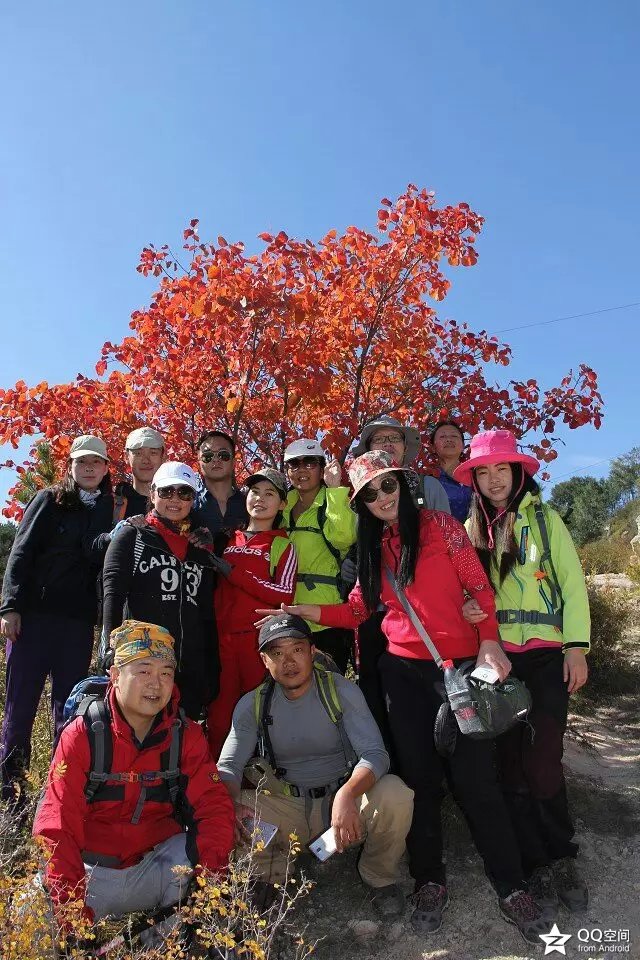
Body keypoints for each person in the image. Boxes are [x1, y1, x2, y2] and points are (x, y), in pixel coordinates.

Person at [272, 451, 549, 943]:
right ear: (360, 504)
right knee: (419, 781)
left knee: (475, 782)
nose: (382, 498)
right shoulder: (374, 546)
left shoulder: (441, 526)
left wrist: (487, 637)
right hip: (401, 673)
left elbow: (478, 587)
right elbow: (358, 609)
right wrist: (299, 607)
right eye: (369, 494)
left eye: (387, 485)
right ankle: (429, 880)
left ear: (402, 481)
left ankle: (511, 885)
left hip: (459, 672)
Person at [455, 429, 590, 914]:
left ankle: (561, 855)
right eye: (484, 471)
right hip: (495, 661)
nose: (493, 480)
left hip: (548, 657)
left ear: (518, 473)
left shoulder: (547, 520)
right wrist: (469, 610)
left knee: (544, 761)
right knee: (510, 765)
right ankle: (533, 862)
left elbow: (572, 587)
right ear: (474, 478)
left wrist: (576, 648)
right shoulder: (468, 530)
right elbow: (465, 593)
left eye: (501, 469)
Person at [33, 620, 234, 943]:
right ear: (114, 676)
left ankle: (164, 943)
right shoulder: (83, 736)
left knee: (194, 854)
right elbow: (56, 827)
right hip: (90, 876)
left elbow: (214, 809)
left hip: (154, 868)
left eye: (166, 672)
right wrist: (72, 920)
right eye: (143, 670)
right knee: (29, 911)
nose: (156, 684)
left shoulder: (186, 737)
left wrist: (209, 887)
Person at [217, 612, 414, 919]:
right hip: (288, 807)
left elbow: (376, 754)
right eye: (277, 654)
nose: (289, 662)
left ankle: (379, 877)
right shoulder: (252, 704)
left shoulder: (340, 691)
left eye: (297, 650)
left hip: (342, 809)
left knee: (395, 794)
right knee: (230, 808)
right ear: (264, 661)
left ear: (311, 652)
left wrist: (348, 795)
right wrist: (228, 804)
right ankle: (272, 876)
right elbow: (228, 766)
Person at [0, 435, 113, 803]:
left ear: (107, 468)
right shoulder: (49, 499)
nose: (90, 468)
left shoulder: (109, 508)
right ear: (70, 467)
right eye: (83, 463)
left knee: (69, 713)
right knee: (19, 713)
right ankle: (10, 796)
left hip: (77, 625)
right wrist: (10, 607)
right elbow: (21, 552)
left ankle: (58, 796)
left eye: (96, 462)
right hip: (33, 619)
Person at [350, 415, 449, 753]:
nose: (388, 444)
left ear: (406, 448)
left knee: (433, 698)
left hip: (426, 619)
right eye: (380, 439)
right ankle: (386, 763)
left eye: (395, 438)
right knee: (378, 691)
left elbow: (450, 553)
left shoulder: (429, 488)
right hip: (375, 610)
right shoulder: (361, 495)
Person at [101, 462, 218, 721]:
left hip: (191, 663)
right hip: (143, 662)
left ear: (193, 499)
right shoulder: (133, 535)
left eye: (184, 493)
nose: (175, 499)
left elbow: (207, 611)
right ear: (152, 494)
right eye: (166, 492)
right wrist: (111, 649)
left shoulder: (201, 547)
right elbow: (113, 593)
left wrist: (212, 664)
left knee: (183, 741)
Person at [206, 468, 297, 758]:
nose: (260, 498)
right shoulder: (226, 540)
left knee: (258, 715)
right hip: (219, 641)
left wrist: (234, 573)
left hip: (257, 643)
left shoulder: (283, 544)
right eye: (255, 492)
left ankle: (257, 786)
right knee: (218, 719)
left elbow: (285, 595)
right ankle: (214, 786)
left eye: (270, 493)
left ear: (282, 504)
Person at [281, 439, 356, 673]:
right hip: (289, 615)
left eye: (310, 463)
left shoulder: (333, 500)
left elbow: (344, 538)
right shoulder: (281, 506)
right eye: (294, 464)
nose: (302, 469)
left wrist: (334, 490)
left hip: (328, 614)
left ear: (322, 467)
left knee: (329, 688)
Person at [192, 430, 248, 535]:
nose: (216, 460)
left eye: (223, 455)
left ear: (233, 463)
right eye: (207, 456)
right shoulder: (188, 503)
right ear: (199, 463)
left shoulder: (249, 505)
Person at [114, 426, 166, 521]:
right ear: (126, 457)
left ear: (163, 457)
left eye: (153, 453)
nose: (146, 460)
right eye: (138, 453)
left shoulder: (177, 504)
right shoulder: (112, 505)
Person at [430, 420, 472, 523]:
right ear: (433, 447)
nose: (448, 439)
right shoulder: (426, 479)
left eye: (454, 436)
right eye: (442, 437)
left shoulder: (476, 477)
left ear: (462, 446)